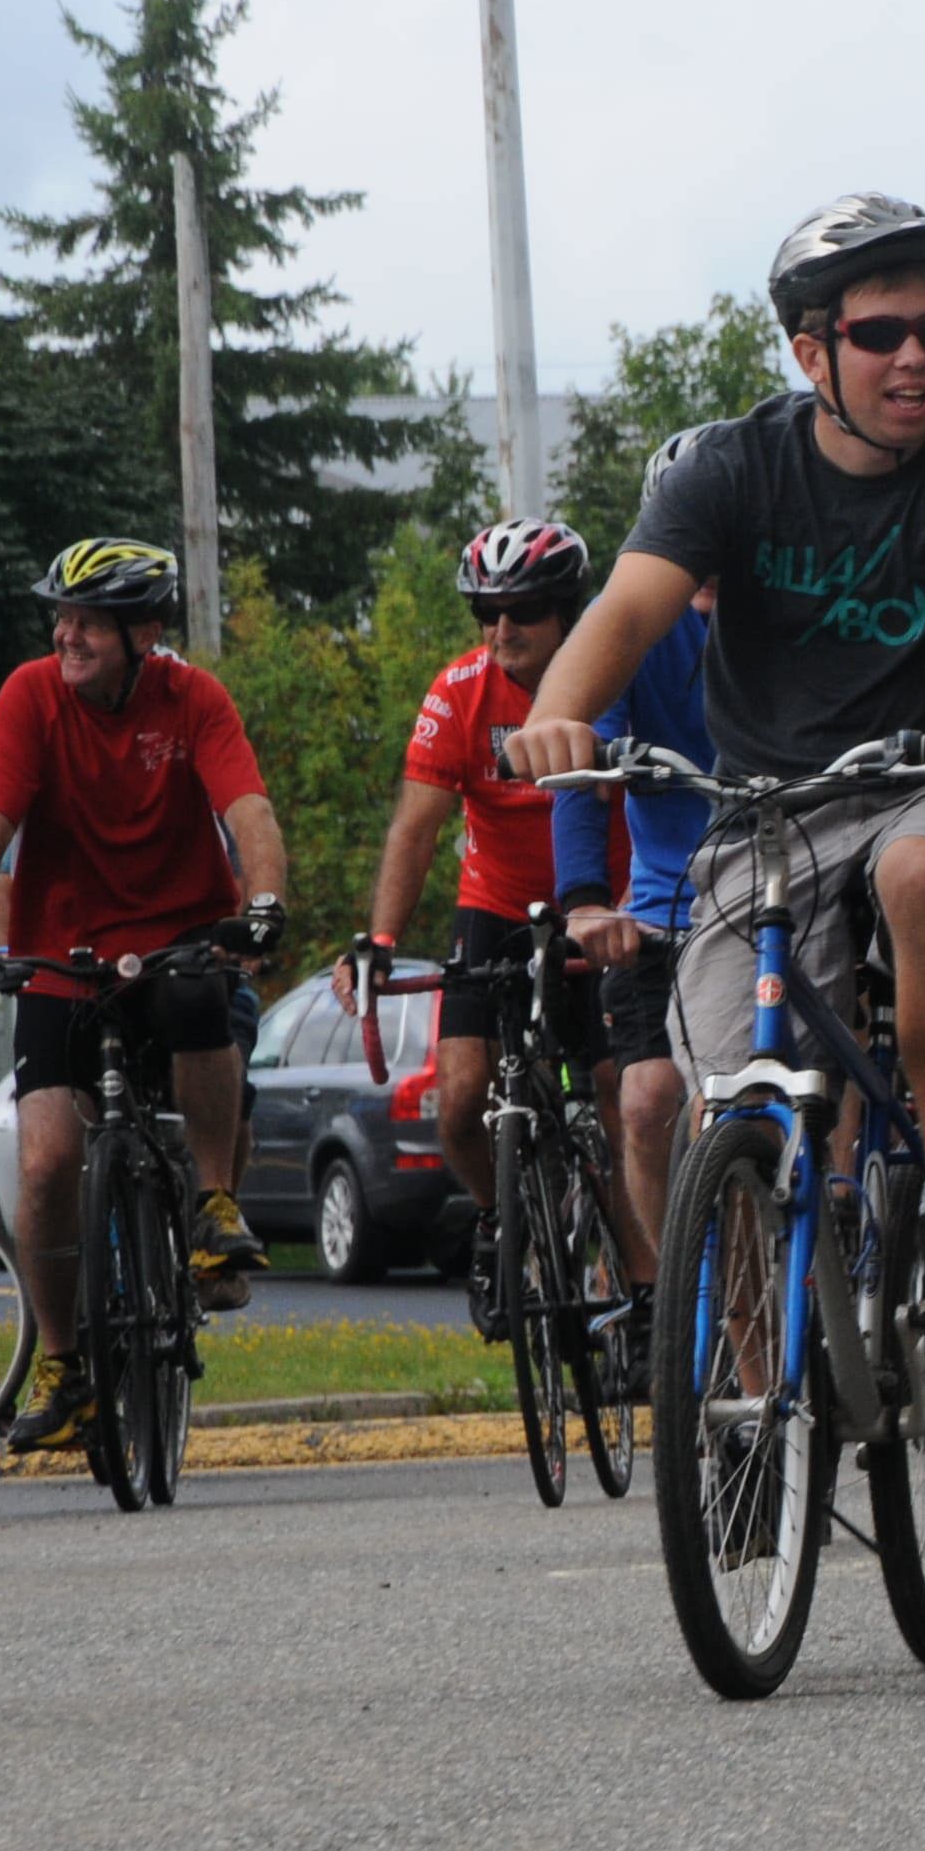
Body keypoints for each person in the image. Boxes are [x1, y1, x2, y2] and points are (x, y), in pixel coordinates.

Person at [503, 197, 925, 1323]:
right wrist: (558, 714)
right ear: (811, 350)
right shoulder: (731, 469)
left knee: (919, 871)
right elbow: (623, 613)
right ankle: (755, 1431)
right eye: (881, 335)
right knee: (734, 1118)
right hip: (773, 815)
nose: (916, 356)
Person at [0, 539, 290, 1451]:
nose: (66, 634)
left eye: (88, 622)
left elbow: (249, 812)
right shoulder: (30, 695)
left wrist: (265, 906)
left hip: (178, 935)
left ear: (143, 631)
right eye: (62, 617)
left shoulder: (194, 698)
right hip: (64, 950)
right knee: (48, 1161)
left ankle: (211, 1203)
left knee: (204, 997)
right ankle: (65, 1365)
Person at [344, 517, 596, 1341]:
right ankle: (497, 1221)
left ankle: (636, 1283)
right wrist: (380, 942)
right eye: (486, 612)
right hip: (495, 901)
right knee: (458, 1103)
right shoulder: (459, 689)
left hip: (600, 899)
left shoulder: (610, 675)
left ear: (567, 612)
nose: (501, 630)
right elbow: (416, 826)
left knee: (626, 1098)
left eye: (521, 610)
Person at [551, 425, 722, 1340]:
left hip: (790, 885)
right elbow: (578, 764)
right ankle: (672, 1303)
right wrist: (585, 899)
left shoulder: (789, 621)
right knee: (650, 1099)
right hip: (663, 902)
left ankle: (839, 1225)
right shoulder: (633, 625)